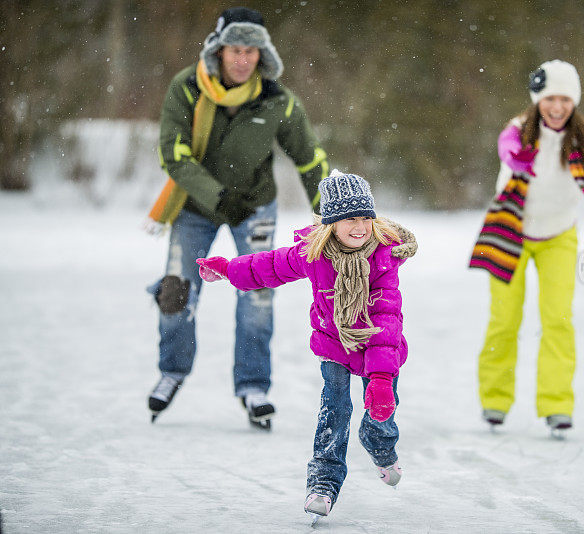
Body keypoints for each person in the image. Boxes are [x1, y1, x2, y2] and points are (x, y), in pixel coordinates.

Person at [146, 6, 329, 429]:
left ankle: (253, 387)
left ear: (261, 55)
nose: (243, 59)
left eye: (251, 51)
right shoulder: (187, 88)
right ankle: (171, 372)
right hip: (194, 207)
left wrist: (329, 213)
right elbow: (173, 154)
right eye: (235, 49)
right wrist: (217, 195)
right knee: (175, 291)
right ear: (219, 51)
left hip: (255, 208)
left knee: (258, 296)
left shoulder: (276, 99)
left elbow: (310, 158)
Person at [196, 170, 417, 518]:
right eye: (348, 219)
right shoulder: (313, 253)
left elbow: (386, 318)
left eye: (364, 217)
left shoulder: (383, 258)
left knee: (381, 412)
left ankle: (381, 447)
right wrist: (227, 269)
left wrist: (380, 378)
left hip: (379, 346)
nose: (358, 226)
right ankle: (323, 484)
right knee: (335, 411)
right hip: (335, 345)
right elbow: (265, 266)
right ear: (331, 222)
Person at [469, 59, 584, 434]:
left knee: (558, 320)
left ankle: (556, 406)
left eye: (565, 99)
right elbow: (507, 147)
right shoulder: (518, 130)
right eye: (550, 98)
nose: (557, 106)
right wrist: (515, 159)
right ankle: (494, 401)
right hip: (510, 231)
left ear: (574, 102)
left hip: (558, 236)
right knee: (504, 320)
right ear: (538, 100)